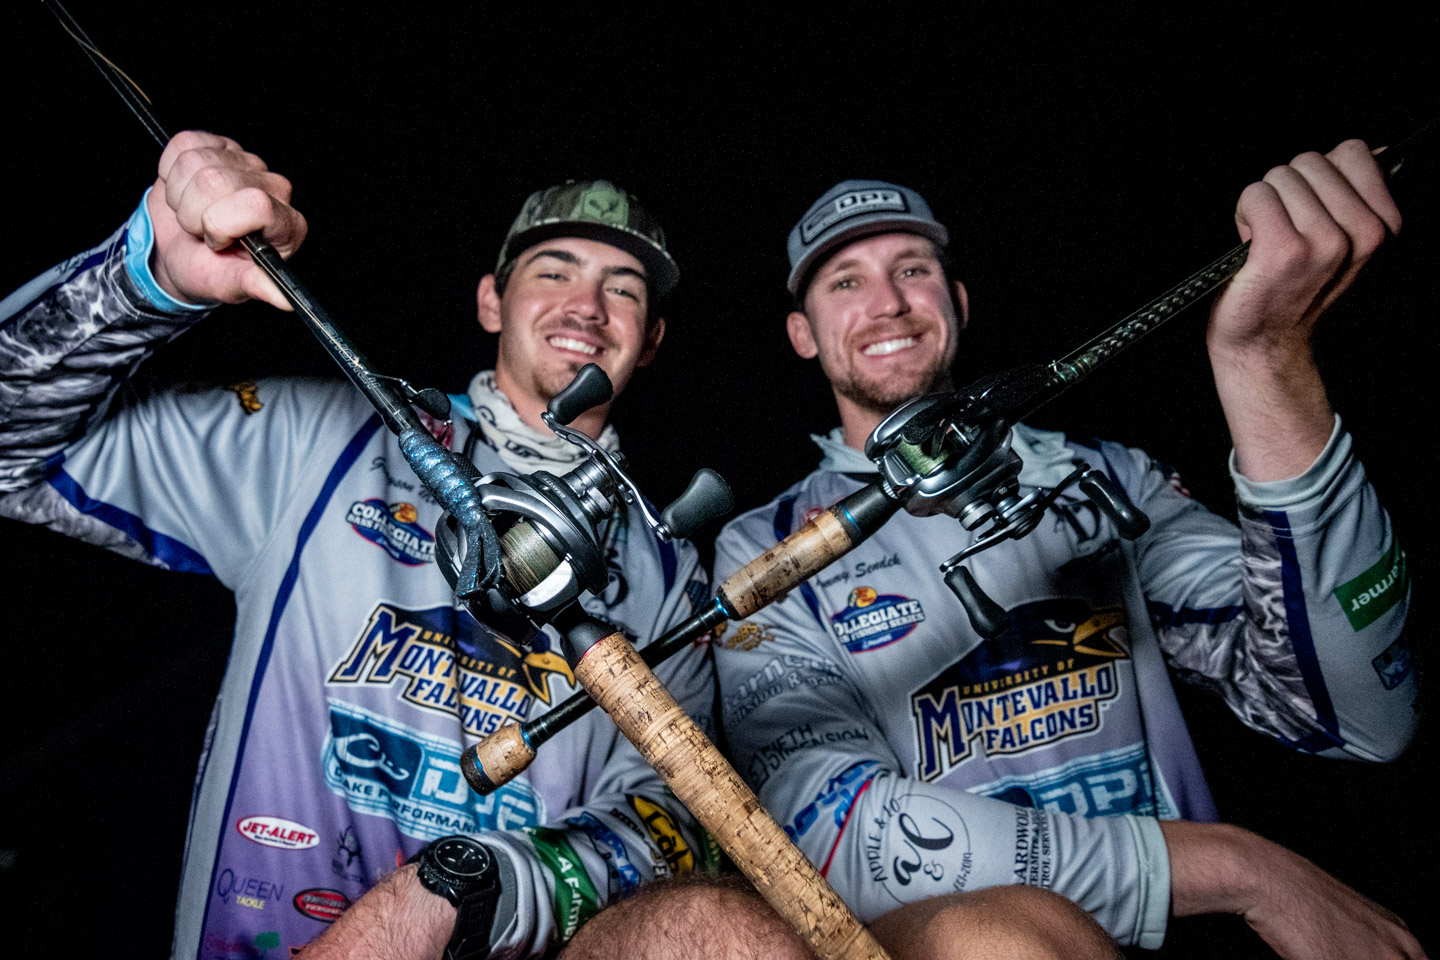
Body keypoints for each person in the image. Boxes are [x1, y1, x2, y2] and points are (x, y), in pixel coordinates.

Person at [0, 130, 740, 960]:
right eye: (554, 271)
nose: (587, 306)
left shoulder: (670, 573)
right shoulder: (323, 436)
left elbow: (680, 823)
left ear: (652, 337)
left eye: (623, 288)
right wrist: (144, 279)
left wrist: (471, 890)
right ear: (491, 301)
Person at [709, 144, 1425, 959]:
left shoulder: (1110, 476)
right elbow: (842, 843)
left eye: (912, 269)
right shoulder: (762, 550)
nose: (888, 304)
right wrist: (1241, 869)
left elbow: (1363, 714)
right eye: (845, 282)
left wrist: (1265, 364)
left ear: (958, 300)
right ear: (802, 334)